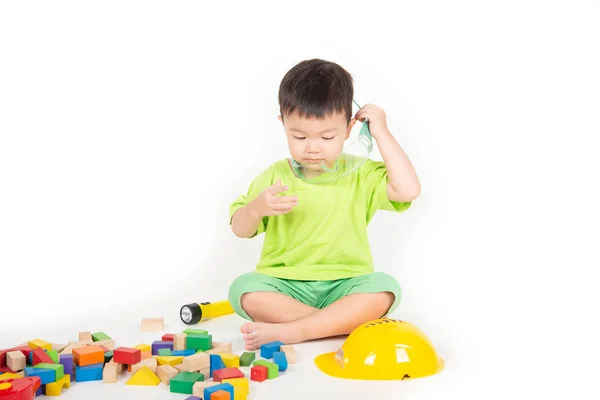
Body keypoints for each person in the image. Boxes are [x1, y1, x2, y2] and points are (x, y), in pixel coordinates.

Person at [228, 58, 421, 350]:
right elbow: (240, 229)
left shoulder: (360, 173)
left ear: (348, 128)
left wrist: (382, 132)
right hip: (284, 285)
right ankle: (337, 325)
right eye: (299, 136)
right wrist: (256, 209)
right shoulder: (275, 176)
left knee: (385, 290)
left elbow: (407, 190)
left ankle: (296, 331)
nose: (313, 147)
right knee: (244, 290)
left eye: (327, 136)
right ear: (283, 124)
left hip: (345, 285)